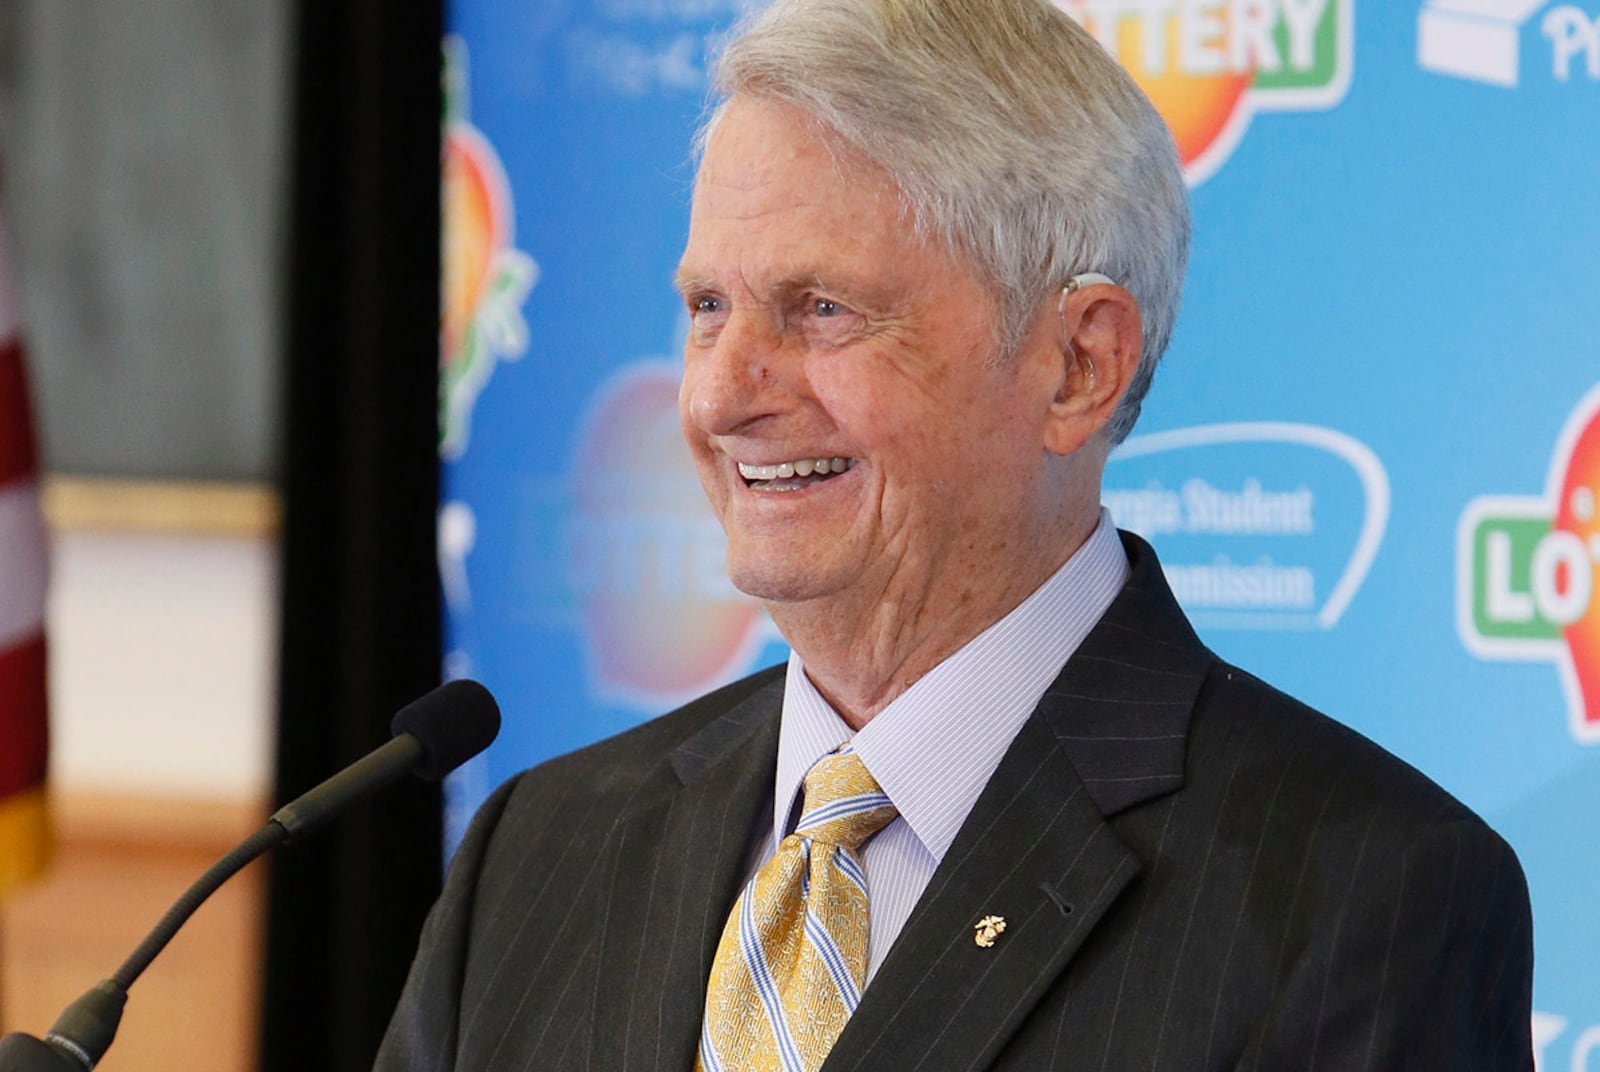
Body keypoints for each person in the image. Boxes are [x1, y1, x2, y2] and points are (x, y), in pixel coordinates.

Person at [376, 0, 1534, 1068]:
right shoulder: (539, 850)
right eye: (706, 308)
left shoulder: (1365, 899)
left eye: (821, 309)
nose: (721, 396)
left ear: (1079, 362)